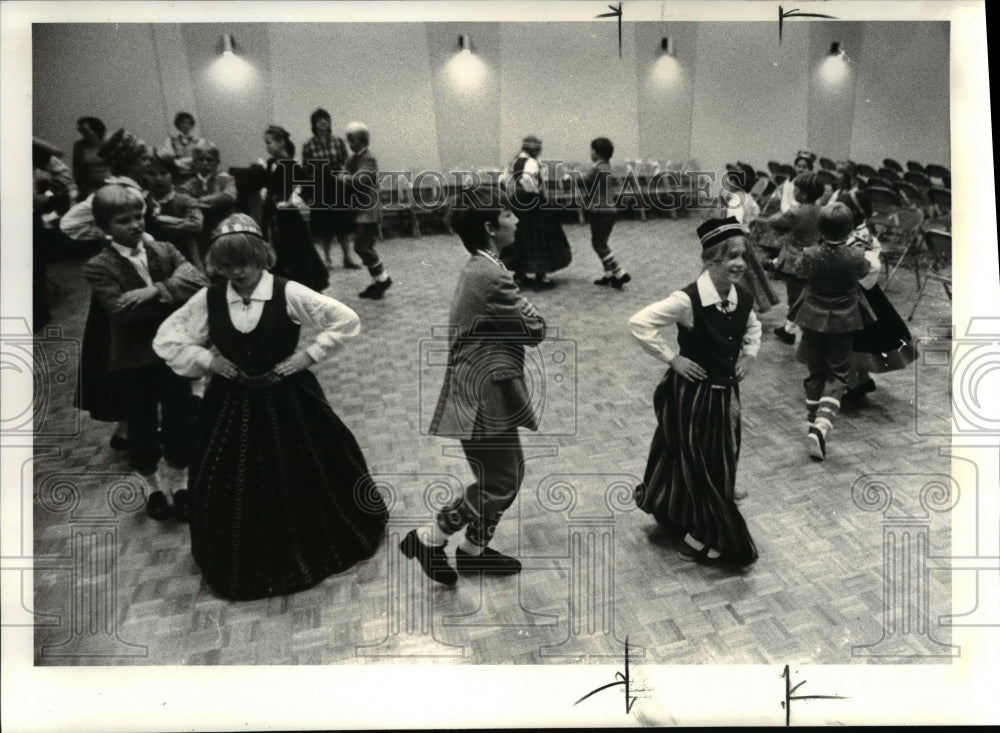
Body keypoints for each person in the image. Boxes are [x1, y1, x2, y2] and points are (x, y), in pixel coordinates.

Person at [153, 213, 388, 601]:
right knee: (225, 475)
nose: (236, 272)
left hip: (289, 396)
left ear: (263, 256)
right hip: (231, 400)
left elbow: (345, 319)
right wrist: (210, 361)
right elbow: (168, 339)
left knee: (310, 466)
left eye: (244, 262)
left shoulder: (288, 291)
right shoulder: (210, 297)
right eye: (226, 265)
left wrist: (306, 357)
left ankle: (315, 544)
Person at [401, 192, 545, 585]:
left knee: (507, 475)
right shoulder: (491, 275)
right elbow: (535, 331)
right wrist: (531, 313)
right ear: (490, 228)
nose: (516, 219)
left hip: (482, 389)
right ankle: (428, 538)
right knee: (501, 481)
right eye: (508, 214)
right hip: (481, 394)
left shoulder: (484, 267)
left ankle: (473, 552)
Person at [629, 216, 760, 567]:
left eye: (743, 256)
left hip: (725, 394)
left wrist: (749, 355)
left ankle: (681, 511)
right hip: (693, 395)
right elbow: (640, 322)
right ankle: (701, 534)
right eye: (731, 256)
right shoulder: (687, 300)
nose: (740, 264)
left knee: (714, 455)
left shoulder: (743, 298)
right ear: (710, 259)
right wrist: (673, 359)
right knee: (702, 461)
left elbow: (752, 328)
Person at [83, 184, 207, 520]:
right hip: (132, 361)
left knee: (181, 422)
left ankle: (181, 485)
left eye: (139, 216)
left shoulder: (164, 249)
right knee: (140, 427)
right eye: (124, 220)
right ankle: (153, 488)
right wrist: (172, 301)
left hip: (172, 357)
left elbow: (198, 282)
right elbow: (125, 313)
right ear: (105, 228)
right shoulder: (98, 266)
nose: (136, 224)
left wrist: (153, 290)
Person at [788, 203, 875, 461]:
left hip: (812, 316)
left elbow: (799, 272)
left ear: (820, 228)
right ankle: (821, 427)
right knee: (837, 375)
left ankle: (812, 422)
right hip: (844, 320)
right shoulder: (856, 256)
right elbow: (865, 272)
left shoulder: (810, 254)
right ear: (849, 230)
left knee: (815, 372)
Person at [246, 125, 329, 293]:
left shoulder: (291, 166)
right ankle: (282, 287)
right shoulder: (270, 163)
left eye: (269, 143)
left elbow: (308, 189)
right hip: (271, 217)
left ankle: (302, 286)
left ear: (281, 142)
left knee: (295, 251)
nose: (267, 146)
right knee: (276, 249)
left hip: (289, 219)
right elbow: (267, 185)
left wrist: (293, 200)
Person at [757, 171, 826, 345]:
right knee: (804, 293)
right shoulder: (821, 210)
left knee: (794, 295)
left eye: (796, 189)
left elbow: (775, 221)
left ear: (802, 193)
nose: (793, 192)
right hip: (813, 255)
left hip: (795, 259)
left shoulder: (796, 212)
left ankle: (791, 330)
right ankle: (791, 327)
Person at [501, 135, 572, 289]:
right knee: (541, 235)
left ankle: (520, 274)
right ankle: (541, 275)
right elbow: (527, 180)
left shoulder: (514, 161)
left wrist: (514, 191)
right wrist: (534, 189)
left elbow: (504, 179)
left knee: (520, 235)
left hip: (517, 202)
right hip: (532, 202)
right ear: (535, 149)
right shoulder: (531, 162)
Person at [301, 108, 360, 270]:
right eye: (319, 119)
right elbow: (306, 169)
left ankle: (347, 258)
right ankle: (327, 260)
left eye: (325, 118)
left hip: (337, 187)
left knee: (344, 226)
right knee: (323, 228)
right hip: (320, 189)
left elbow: (347, 163)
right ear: (314, 123)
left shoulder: (338, 142)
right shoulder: (308, 145)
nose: (323, 121)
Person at [342, 121, 392, 299]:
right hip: (359, 208)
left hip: (369, 209)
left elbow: (360, 179)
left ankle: (384, 279)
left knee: (361, 246)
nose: (350, 144)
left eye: (353, 140)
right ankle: (376, 281)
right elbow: (344, 174)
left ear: (363, 140)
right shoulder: (352, 159)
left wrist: (345, 178)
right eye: (348, 140)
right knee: (366, 246)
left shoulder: (369, 158)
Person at [178, 140, 238, 266]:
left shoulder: (225, 180)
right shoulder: (186, 185)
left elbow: (229, 197)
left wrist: (196, 201)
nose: (205, 163)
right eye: (200, 159)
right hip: (200, 238)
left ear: (217, 162)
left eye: (209, 159)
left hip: (225, 234)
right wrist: (215, 200)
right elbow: (184, 205)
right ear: (194, 162)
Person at [582, 137, 630, 288]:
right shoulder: (607, 166)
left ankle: (619, 272)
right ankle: (609, 274)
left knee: (599, 244)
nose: (590, 153)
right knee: (601, 242)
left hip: (600, 211)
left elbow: (584, 181)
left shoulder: (597, 169)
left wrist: (571, 178)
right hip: (610, 210)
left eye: (592, 150)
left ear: (596, 153)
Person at [144, 149, 205, 270]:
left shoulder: (184, 200)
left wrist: (159, 219)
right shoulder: (143, 201)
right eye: (152, 174)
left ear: (173, 175)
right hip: (154, 262)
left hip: (185, 261)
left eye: (164, 173)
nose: (158, 178)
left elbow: (196, 224)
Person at [71, 116, 109, 201]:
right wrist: (82, 189)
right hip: (90, 187)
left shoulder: (107, 143)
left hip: (110, 184)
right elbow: (77, 169)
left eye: (85, 129)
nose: (83, 133)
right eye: (80, 130)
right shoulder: (79, 145)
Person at [162, 111, 204, 183]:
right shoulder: (170, 140)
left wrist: (179, 162)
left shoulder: (199, 140)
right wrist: (187, 166)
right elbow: (168, 158)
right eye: (183, 123)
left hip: (195, 175)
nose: (186, 125)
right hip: (177, 175)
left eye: (189, 123)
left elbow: (199, 158)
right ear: (178, 125)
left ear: (192, 125)